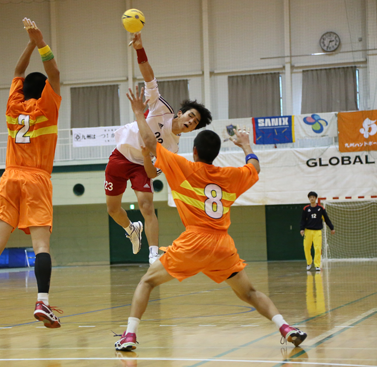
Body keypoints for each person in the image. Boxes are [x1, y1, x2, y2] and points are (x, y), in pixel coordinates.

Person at [114, 87, 307, 351]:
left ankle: (129, 336)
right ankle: (286, 327)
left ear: (194, 151)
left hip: (194, 242)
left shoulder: (182, 166)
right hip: (222, 246)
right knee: (249, 292)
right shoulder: (230, 176)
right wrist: (246, 145)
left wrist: (138, 112)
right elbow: (255, 168)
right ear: (214, 154)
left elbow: (149, 142)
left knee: (147, 282)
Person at [0, 17, 62, 334]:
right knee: (41, 247)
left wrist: (28, 41)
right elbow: (55, 74)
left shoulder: (13, 105)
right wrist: (41, 43)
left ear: (23, 90)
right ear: (45, 90)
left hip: (9, 177)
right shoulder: (48, 105)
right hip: (37, 178)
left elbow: (17, 72)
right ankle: (41, 300)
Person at [105, 33, 212, 265]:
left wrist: (145, 158)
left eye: (195, 123)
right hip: (120, 156)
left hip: (140, 166)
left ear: (192, 129)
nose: (191, 121)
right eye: (191, 116)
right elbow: (149, 77)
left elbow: (153, 173)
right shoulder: (161, 107)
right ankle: (132, 229)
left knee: (146, 205)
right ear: (181, 112)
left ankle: (154, 254)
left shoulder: (172, 149)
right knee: (113, 210)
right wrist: (139, 49)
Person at [300, 191, 335, 271]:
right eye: (310, 197)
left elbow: (326, 219)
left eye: (313, 197)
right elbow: (302, 220)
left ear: (316, 198)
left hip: (317, 231)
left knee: (318, 248)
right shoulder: (306, 208)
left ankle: (317, 265)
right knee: (306, 247)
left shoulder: (321, 208)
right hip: (308, 231)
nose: (312, 199)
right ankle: (309, 263)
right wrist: (302, 229)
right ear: (309, 199)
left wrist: (331, 228)